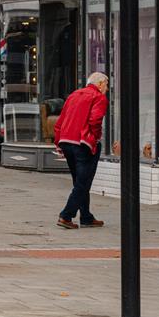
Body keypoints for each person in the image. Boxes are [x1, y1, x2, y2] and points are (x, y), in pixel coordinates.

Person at [55, 71, 110, 230]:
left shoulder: (74, 95)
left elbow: (61, 120)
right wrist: (95, 138)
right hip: (83, 143)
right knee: (83, 182)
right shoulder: (99, 97)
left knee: (79, 180)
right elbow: (95, 120)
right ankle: (66, 215)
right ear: (99, 84)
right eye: (106, 85)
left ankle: (86, 216)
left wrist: (58, 141)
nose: (106, 88)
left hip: (66, 141)